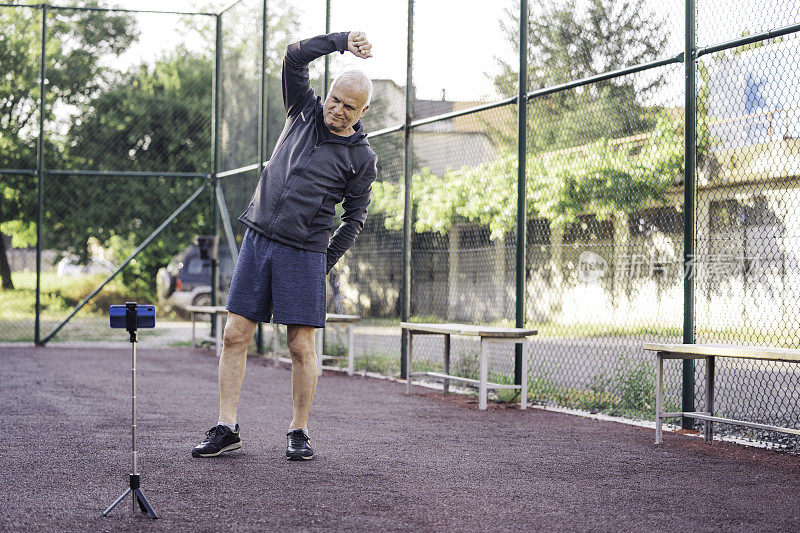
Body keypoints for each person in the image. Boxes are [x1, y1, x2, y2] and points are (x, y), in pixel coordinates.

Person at [192, 31, 376, 461]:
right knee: (235, 334)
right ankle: (226, 426)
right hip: (259, 239)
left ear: (363, 111)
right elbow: (293, 57)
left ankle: (299, 430)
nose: (336, 109)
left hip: (304, 253)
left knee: (299, 346)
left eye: (348, 106)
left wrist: (323, 264)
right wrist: (340, 41)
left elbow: (355, 219)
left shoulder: (361, 158)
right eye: (334, 99)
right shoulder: (303, 110)